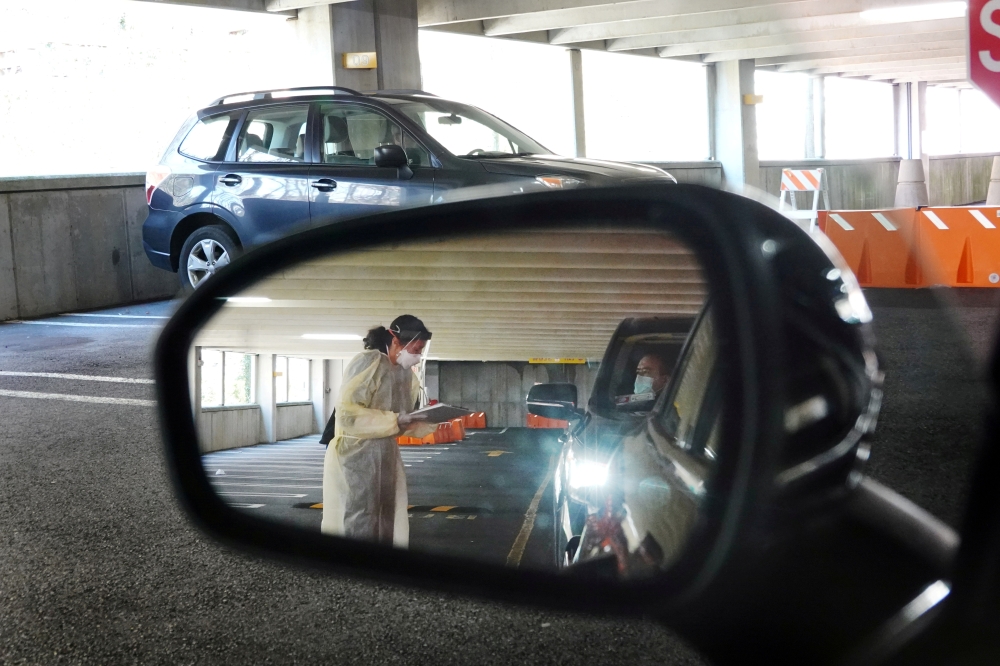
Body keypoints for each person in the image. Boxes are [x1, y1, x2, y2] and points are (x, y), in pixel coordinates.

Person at [321, 314, 437, 547]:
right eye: (415, 349)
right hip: (357, 451)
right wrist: (394, 420)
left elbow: (400, 417)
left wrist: (424, 420)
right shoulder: (369, 362)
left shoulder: (403, 372)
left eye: (421, 350)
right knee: (361, 511)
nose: (418, 355)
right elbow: (348, 413)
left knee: (386, 510)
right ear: (396, 341)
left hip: (385, 449)